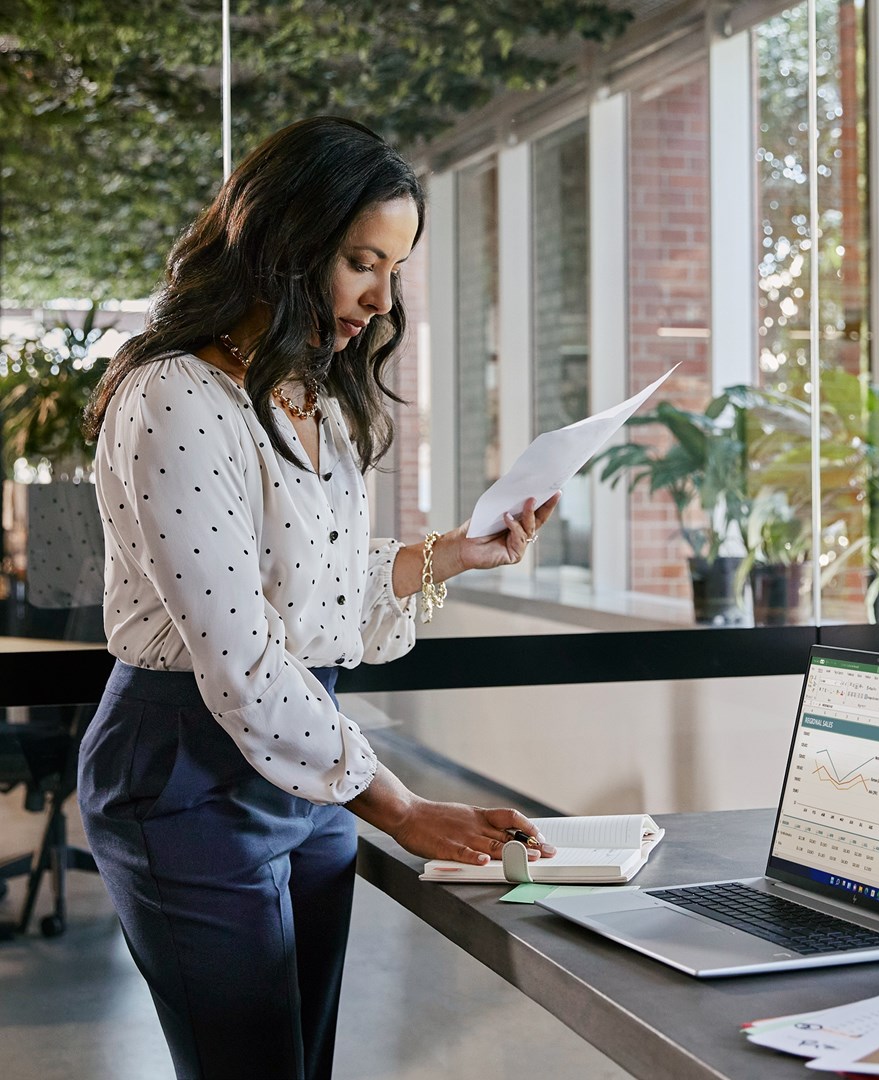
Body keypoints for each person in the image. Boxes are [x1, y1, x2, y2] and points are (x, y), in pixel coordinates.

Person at [78, 115, 560, 1080]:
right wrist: (399, 806)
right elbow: (243, 656)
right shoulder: (173, 397)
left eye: (396, 270)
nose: (382, 302)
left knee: (301, 1063)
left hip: (305, 767)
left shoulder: (313, 398)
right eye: (360, 262)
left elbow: (321, 586)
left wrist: (455, 553)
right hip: (183, 775)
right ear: (283, 240)